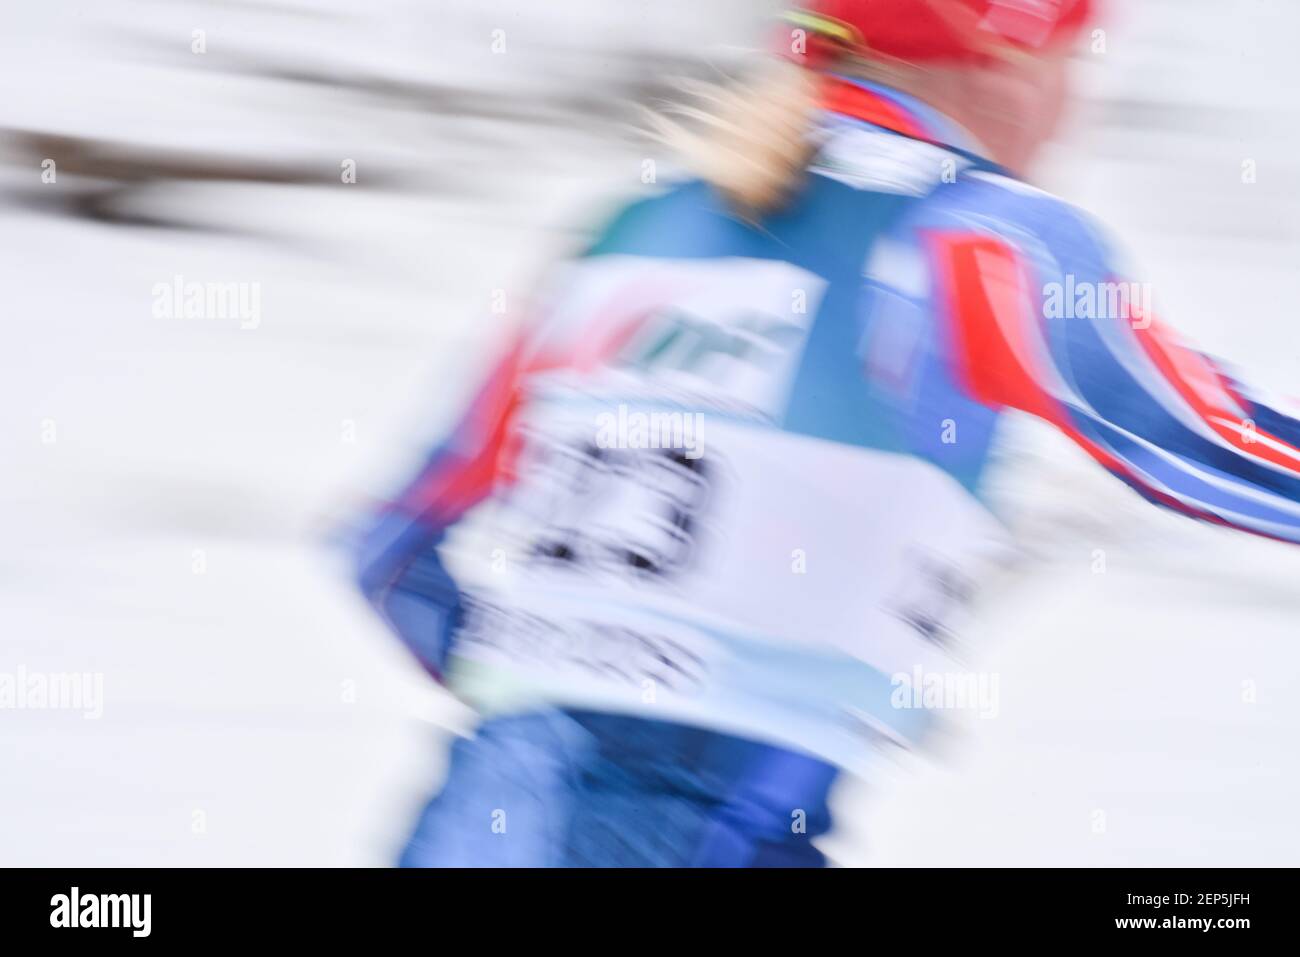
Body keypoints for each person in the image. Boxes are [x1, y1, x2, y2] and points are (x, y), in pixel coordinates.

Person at [353, 0, 1300, 867]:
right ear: (1007, 58)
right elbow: (1199, 447)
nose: (1076, 107)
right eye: (1077, 62)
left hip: (467, 822)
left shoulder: (632, 228)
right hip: (698, 830)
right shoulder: (978, 234)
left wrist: (574, 678)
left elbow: (387, 549)